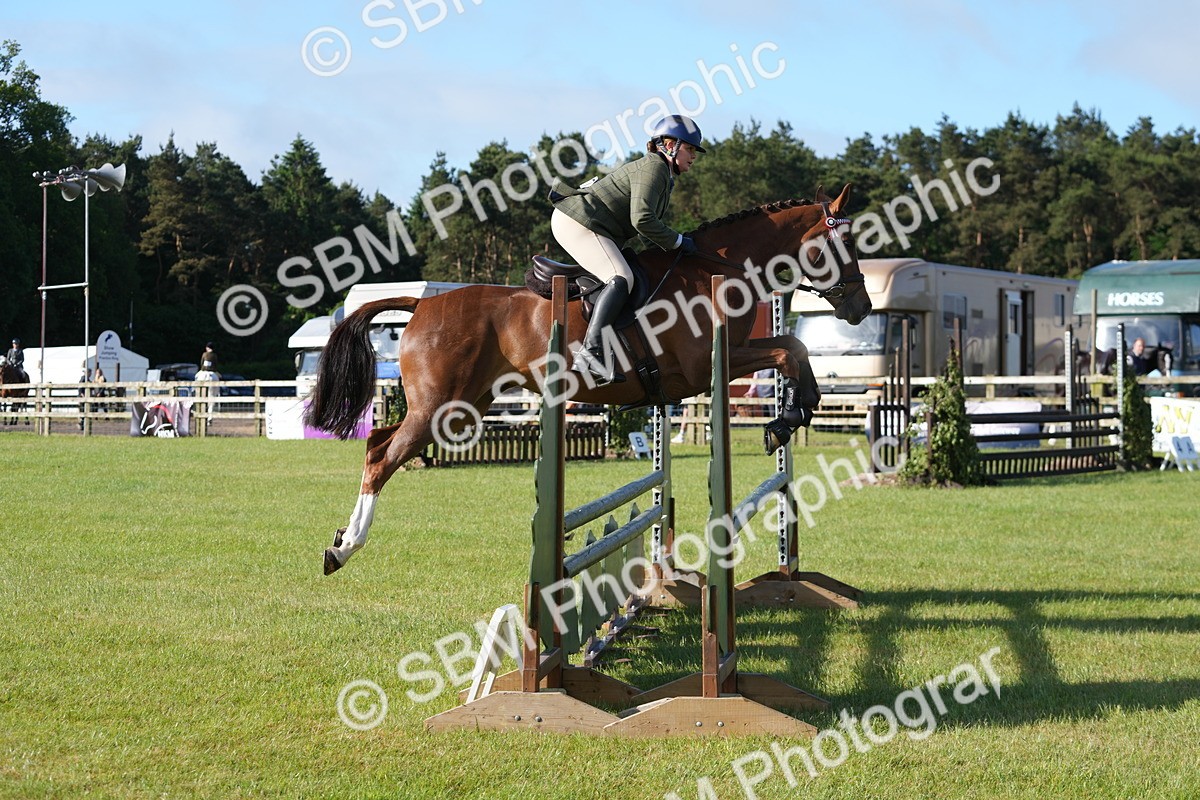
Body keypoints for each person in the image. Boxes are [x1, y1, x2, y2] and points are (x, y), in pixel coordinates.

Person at [549, 114, 705, 385]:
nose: (694, 156)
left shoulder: (661, 174)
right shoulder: (654, 169)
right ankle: (591, 354)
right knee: (622, 278)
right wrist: (678, 242)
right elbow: (642, 219)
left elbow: (645, 228)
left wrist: (668, 256)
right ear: (669, 145)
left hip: (591, 224)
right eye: (690, 148)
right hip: (577, 222)